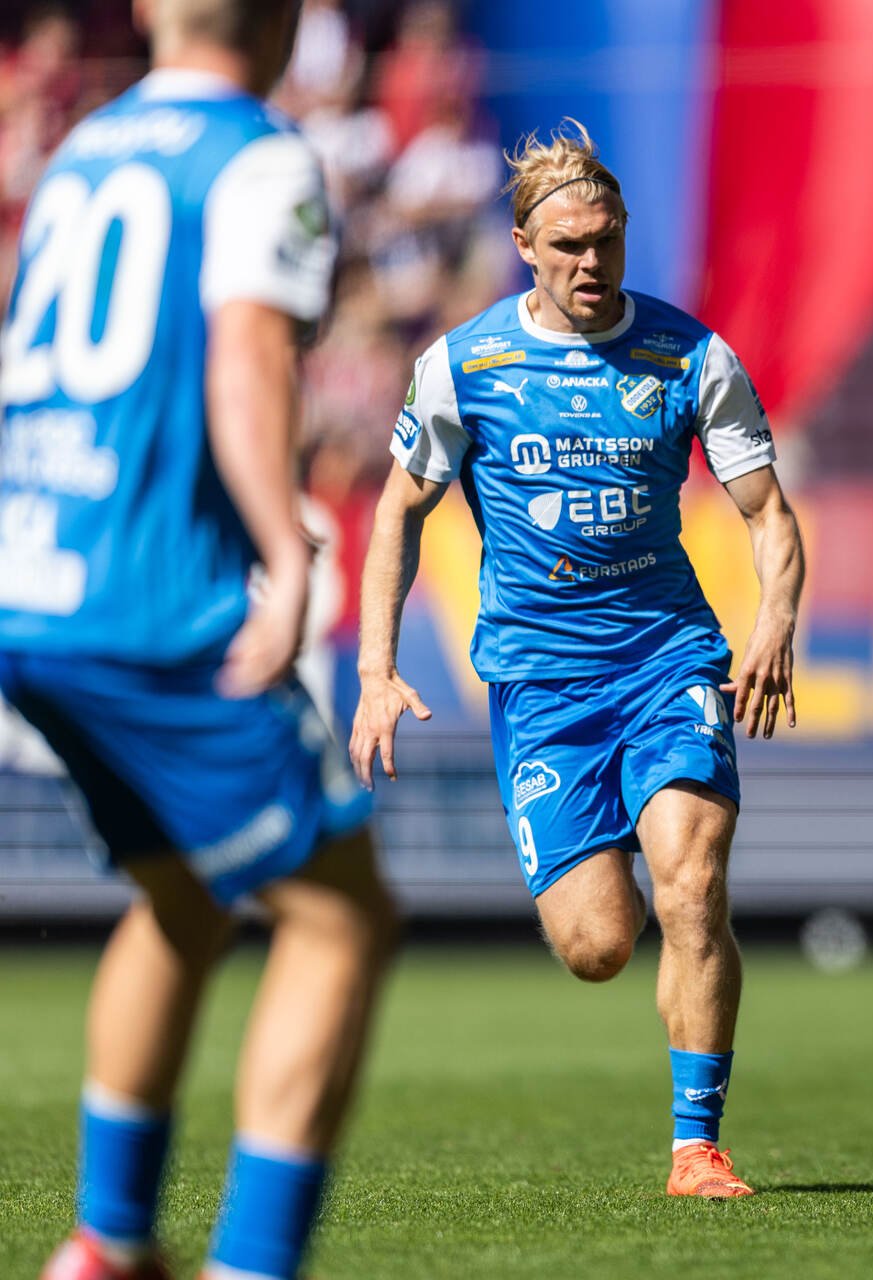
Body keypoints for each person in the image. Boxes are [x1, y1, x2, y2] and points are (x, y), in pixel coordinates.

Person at [0, 2, 397, 1277]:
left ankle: (106, 1244)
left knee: (181, 888)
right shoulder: (259, 154)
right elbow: (247, 356)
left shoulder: (85, 150)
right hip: (155, 600)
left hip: (33, 584)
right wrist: (286, 546)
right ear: (283, 20)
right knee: (341, 916)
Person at [349, 120, 802, 1200]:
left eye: (607, 240)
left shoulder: (692, 356)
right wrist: (375, 668)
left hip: (667, 658)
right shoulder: (464, 365)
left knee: (693, 884)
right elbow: (397, 513)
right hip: (544, 686)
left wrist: (775, 618)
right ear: (523, 247)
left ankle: (697, 1145)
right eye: (567, 246)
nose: (591, 262)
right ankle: (627, 886)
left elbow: (768, 512)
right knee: (598, 943)